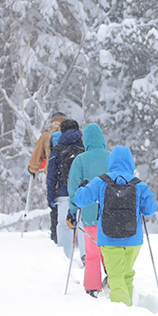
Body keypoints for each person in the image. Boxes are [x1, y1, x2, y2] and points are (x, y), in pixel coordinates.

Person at [70, 145, 158, 306]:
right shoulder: (138, 184)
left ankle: (123, 312)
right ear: (131, 163)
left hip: (109, 238)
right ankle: (129, 305)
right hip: (133, 239)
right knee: (126, 274)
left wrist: (81, 188)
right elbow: (150, 210)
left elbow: (80, 200)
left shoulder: (101, 181)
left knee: (115, 276)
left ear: (110, 162)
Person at [66, 123, 111, 297]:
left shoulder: (80, 160)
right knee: (109, 249)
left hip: (90, 213)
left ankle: (92, 287)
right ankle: (112, 279)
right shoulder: (111, 157)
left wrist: (73, 210)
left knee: (92, 253)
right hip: (111, 212)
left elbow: (74, 189)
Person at [48, 119, 84, 260]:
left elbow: (51, 177)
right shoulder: (84, 148)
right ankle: (84, 256)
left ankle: (64, 257)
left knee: (63, 225)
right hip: (81, 194)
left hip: (63, 194)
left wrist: (50, 197)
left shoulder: (57, 150)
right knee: (82, 223)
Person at [29, 112, 67, 242]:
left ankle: (56, 236)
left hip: (53, 176)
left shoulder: (46, 135)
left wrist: (32, 169)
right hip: (70, 177)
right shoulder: (71, 133)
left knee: (55, 206)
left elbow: (37, 154)